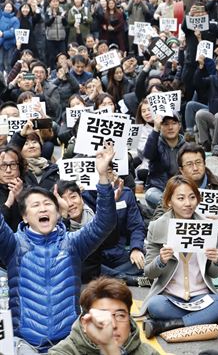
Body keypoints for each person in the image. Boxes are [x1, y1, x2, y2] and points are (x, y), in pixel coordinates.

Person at [0, 142, 117, 353]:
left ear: (58, 212)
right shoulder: (13, 245)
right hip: (26, 344)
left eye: (48, 204)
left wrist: (102, 177)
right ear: (25, 217)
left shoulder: (73, 243)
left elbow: (105, 223)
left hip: (68, 344)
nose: (43, 208)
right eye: (35, 205)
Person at [138, 175, 218, 338]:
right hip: (170, 298)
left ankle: (169, 325)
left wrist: (217, 259)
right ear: (169, 202)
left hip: (201, 296)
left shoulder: (207, 225)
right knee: (155, 305)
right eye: (181, 198)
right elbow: (149, 272)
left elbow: (214, 274)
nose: (188, 204)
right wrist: (161, 260)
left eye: (192, 198)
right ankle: (203, 320)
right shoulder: (157, 226)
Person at [153, 143, 218, 263]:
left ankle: (199, 261)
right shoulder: (174, 185)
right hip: (180, 240)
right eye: (189, 164)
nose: (195, 168)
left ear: (205, 163)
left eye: (198, 162)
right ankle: (201, 262)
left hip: (208, 243)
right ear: (181, 170)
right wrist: (176, 216)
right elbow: (158, 215)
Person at [56, 177, 147, 286]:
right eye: (63, 200)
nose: (70, 203)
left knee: (142, 260)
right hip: (80, 271)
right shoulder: (56, 223)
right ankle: (123, 278)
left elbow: (111, 239)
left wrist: (110, 207)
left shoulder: (92, 214)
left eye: (73, 197)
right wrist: (64, 216)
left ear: (81, 198)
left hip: (105, 258)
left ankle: (110, 277)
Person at [48, 276, 159, 355]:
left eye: (120, 315)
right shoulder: (64, 352)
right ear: (85, 323)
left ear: (129, 320)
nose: (113, 324)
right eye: (102, 316)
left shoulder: (148, 353)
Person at [143, 111, 186, 210]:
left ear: (179, 126)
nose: (170, 127)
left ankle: (176, 208)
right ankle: (176, 208)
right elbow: (148, 154)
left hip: (182, 190)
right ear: (160, 126)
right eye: (166, 124)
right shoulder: (155, 143)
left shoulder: (187, 147)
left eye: (174, 123)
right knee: (150, 194)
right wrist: (155, 129)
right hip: (160, 189)